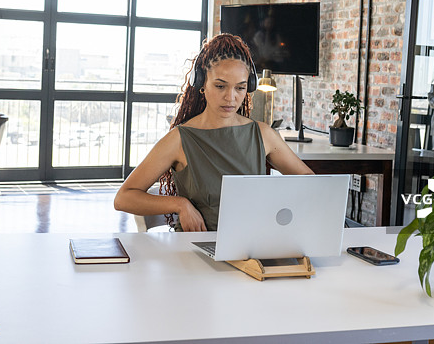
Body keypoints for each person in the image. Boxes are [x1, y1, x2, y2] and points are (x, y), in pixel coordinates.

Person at [114, 33, 313, 232]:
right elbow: (124, 197)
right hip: (195, 249)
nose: (231, 97)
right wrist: (180, 204)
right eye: (220, 86)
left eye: (240, 88)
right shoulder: (180, 139)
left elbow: (311, 183)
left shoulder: (262, 134)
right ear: (202, 84)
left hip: (251, 248)